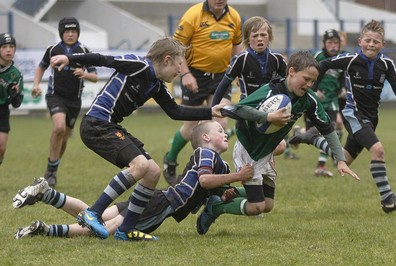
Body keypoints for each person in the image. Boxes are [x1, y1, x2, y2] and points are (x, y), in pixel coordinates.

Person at [47, 37, 226, 241]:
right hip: (96, 123)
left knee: (153, 171)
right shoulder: (138, 65)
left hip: (110, 126)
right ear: (167, 59)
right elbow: (103, 59)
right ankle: (93, 212)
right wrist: (69, 58)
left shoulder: (157, 85)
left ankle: (126, 229)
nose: (179, 71)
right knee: (140, 165)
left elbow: (175, 111)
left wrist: (210, 111)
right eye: (179, 65)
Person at [196, 50, 360, 235]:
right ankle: (216, 207)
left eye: (313, 81)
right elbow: (238, 109)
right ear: (291, 71)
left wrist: (340, 159)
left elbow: (327, 129)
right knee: (256, 206)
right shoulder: (270, 91)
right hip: (249, 149)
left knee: (268, 205)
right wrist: (267, 117)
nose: (309, 84)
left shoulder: (309, 100)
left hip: (267, 152)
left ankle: (224, 193)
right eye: (305, 78)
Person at [13, 121, 253, 239]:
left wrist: (224, 194)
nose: (225, 134)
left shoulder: (220, 164)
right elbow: (204, 181)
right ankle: (48, 226)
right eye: (221, 132)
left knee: (96, 217)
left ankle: (46, 197)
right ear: (206, 137)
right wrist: (238, 177)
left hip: (156, 199)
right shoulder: (205, 153)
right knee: (103, 231)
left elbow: (211, 188)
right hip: (162, 203)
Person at [290, 20, 396, 213]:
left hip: (372, 119)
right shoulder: (350, 60)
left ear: (382, 44)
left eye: (376, 41)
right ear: (360, 41)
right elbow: (321, 65)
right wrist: (313, 89)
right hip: (353, 115)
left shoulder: (387, 64)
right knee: (378, 150)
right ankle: (388, 199)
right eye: (368, 40)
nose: (371, 44)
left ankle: (311, 138)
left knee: (343, 159)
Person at [163, 0, 243, 186]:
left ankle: (210, 168)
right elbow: (177, 48)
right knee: (191, 127)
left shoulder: (234, 17)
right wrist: (186, 74)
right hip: (196, 75)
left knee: (221, 121)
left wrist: (239, 69)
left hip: (222, 76)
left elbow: (237, 45)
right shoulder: (193, 15)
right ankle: (171, 159)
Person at [31, 17, 98, 188]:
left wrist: (84, 74)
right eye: (67, 31)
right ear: (61, 33)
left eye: (74, 31)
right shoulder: (53, 49)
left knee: (65, 138)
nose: (70, 34)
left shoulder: (84, 51)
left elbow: (95, 76)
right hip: (56, 96)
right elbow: (41, 67)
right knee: (58, 127)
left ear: (78, 33)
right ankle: (51, 171)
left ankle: (52, 169)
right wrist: (36, 84)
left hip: (74, 101)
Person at [211, 15, 288, 158]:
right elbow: (223, 85)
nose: (259, 39)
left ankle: (262, 168)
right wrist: (212, 108)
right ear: (247, 38)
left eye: (263, 35)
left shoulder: (277, 60)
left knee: (279, 147)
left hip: (269, 111)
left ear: (269, 37)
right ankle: (242, 157)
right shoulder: (242, 59)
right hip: (247, 113)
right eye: (255, 35)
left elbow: (288, 85)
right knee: (252, 160)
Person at [310, 29, 344, 177]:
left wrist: (343, 88)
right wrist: (314, 90)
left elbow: (343, 76)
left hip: (333, 100)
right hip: (317, 100)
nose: (333, 46)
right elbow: (307, 72)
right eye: (330, 42)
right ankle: (334, 156)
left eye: (336, 43)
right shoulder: (318, 56)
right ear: (324, 44)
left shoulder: (341, 59)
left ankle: (323, 163)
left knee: (335, 126)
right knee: (318, 131)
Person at [0, 33, 24, 166]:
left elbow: (17, 103)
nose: (8, 49)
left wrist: (14, 96)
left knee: (1, 147)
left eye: (11, 46)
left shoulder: (16, 74)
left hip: (2, 110)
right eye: (4, 46)